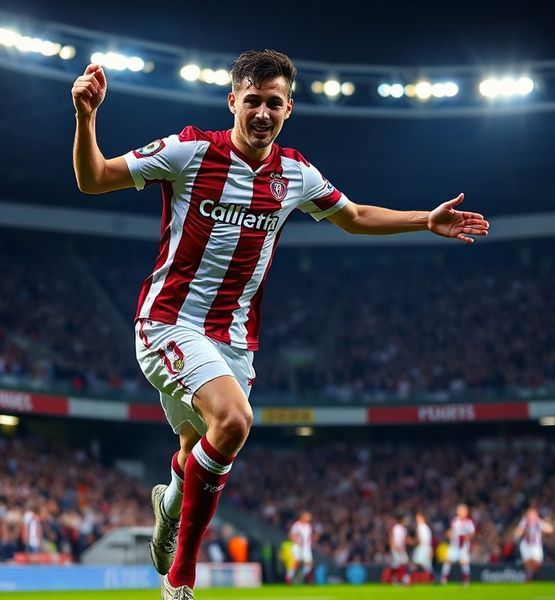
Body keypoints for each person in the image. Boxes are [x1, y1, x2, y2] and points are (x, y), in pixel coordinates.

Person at [71, 49, 489, 599]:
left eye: (274, 103)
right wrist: (86, 117)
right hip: (170, 323)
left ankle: (170, 500)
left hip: (236, 342)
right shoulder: (190, 150)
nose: (262, 113)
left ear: (289, 108)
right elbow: (94, 179)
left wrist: (423, 220)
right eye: (252, 102)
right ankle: (181, 581)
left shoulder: (294, 173)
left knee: (202, 444)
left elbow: (356, 216)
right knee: (236, 421)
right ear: (232, 102)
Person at [515, 506, 555, 582]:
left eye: (533, 514)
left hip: (536, 545)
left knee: (537, 562)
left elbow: (550, 530)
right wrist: (518, 533)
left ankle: (531, 575)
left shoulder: (538, 522)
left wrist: (548, 522)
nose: (531, 515)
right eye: (530, 514)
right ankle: (529, 578)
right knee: (527, 563)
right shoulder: (524, 521)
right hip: (526, 545)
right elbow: (518, 532)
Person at [440, 503, 476, 585]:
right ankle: (443, 580)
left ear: (466, 512)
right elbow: (452, 531)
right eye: (459, 511)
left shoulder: (469, 522)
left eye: (461, 511)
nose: (459, 512)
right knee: (447, 561)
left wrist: (467, 537)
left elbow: (472, 534)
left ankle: (466, 581)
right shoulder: (455, 520)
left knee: (464, 563)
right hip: (454, 545)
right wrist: (449, 534)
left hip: (463, 546)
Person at [286, 511, 314, 584]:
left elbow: (308, 537)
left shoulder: (308, 526)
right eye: (307, 516)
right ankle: (289, 577)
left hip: (306, 547)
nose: (309, 518)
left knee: (309, 563)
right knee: (296, 562)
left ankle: (303, 576)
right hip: (297, 546)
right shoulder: (297, 525)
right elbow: (291, 535)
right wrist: (296, 541)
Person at [388, 514, 411, 585]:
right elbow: (393, 538)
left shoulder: (404, 529)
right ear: (402, 520)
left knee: (403, 563)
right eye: (406, 519)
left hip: (401, 549)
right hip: (396, 548)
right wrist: (393, 547)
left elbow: (403, 540)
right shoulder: (396, 528)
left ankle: (403, 579)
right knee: (398, 564)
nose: (407, 521)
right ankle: (395, 579)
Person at [412, 511, 433, 577]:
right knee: (425, 565)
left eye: (418, 517)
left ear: (423, 518)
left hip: (423, 548)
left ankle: (408, 579)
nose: (416, 518)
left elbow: (419, 540)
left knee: (418, 564)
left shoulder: (421, 527)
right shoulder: (426, 527)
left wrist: (412, 542)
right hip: (424, 548)